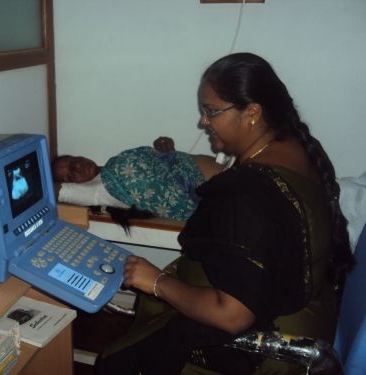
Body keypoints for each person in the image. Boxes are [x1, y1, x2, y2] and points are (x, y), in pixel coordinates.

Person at [94, 52, 355, 375]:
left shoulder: (245, 193)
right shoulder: (298, 149)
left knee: (114, 363)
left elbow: (232, 315)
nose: (203, 121)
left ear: (252, 113)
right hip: (311, 319)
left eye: (211, 111)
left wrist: (156, 280)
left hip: (267, 348)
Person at [52, 139, 223, 221]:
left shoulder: (112, 164)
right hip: (214, 193)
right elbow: (51, 189)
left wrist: (163, 149)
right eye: (70, 176)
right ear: (70, 185)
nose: (77, 167)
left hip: (222, 173)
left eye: (72, 161)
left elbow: (157, 171)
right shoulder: (95, 192)